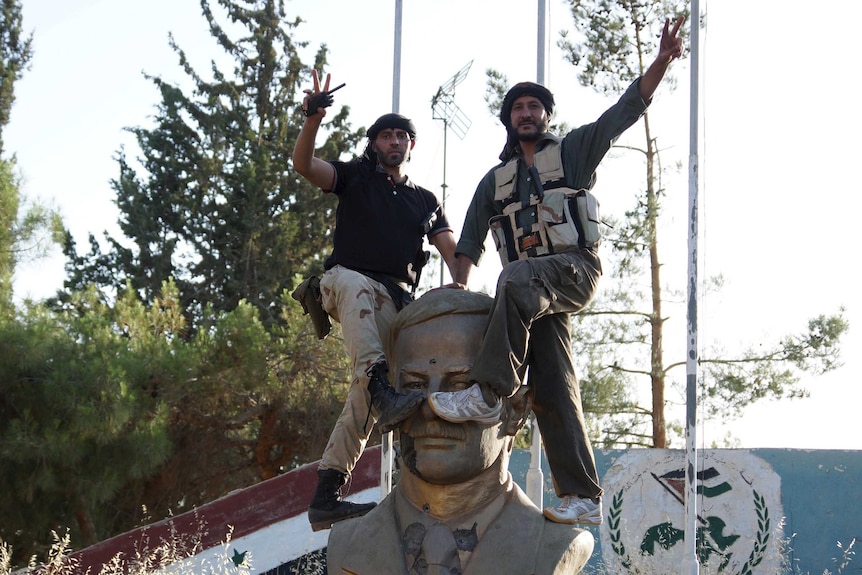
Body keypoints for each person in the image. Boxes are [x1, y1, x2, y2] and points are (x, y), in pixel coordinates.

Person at [429, 17, 685, 525]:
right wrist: (448, 302)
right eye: (518, 107)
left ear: (546, 116)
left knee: (516, 277)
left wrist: (660, 62)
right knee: (552, 382)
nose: (526, 113)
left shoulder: (571, 152)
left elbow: (623, 113)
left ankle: (487, 393)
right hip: (531, 299)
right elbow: (467, 253)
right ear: (508, 119)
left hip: (572, 270)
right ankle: (585, 494)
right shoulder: (492, 184)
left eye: (535, 106)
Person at [292, 70, 458, 532]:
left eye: (402, 135)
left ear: (411, 146)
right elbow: (305, 166)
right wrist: (312, 121)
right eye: (386, 134)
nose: (394, 141)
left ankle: (326, 495)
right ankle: (384, 392)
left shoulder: (423, 199)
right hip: (345, 283)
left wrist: (460, 285)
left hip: (396, 300)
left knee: (366, 395)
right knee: (354, 288)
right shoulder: (355, 177)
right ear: (374, 143)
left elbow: (452, 250)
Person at [327, 289, 594, 575]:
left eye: (461, 387)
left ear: (516, 410)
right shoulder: (345, 542)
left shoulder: (552, 546)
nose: (431, 407)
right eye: (414, 386)